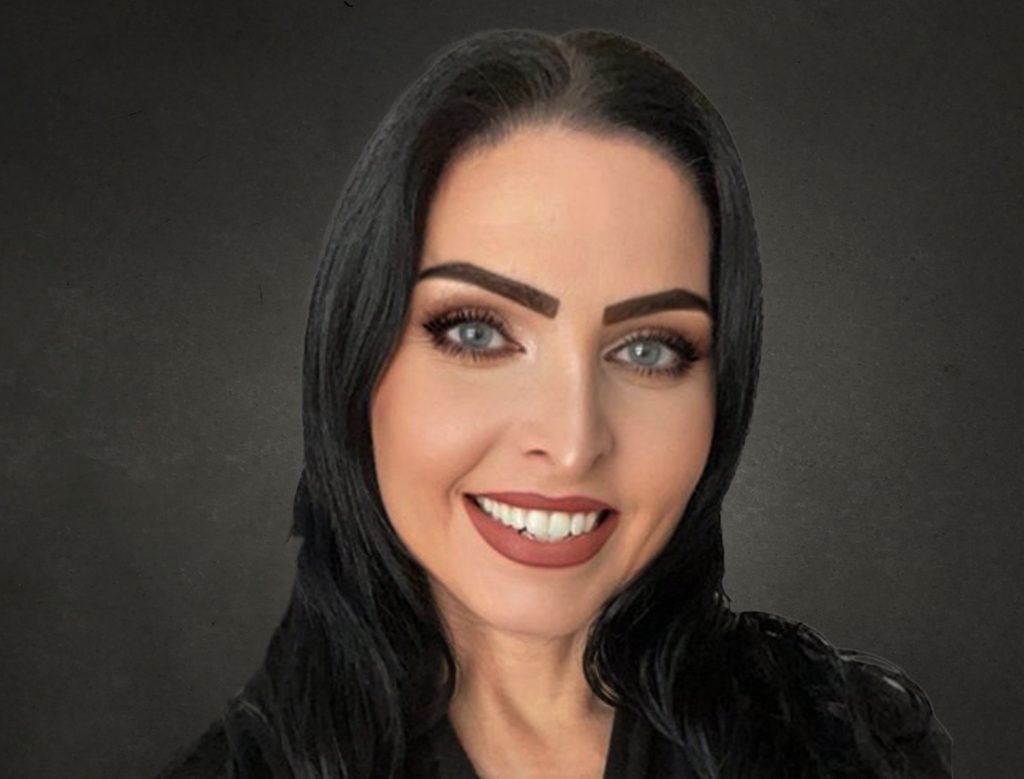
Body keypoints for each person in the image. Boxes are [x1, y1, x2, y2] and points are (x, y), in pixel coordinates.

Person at [155, 27, 952, 778]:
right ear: (354, 358)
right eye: (476, 332)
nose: (572, 443)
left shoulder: (848, 746)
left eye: (648, 349)